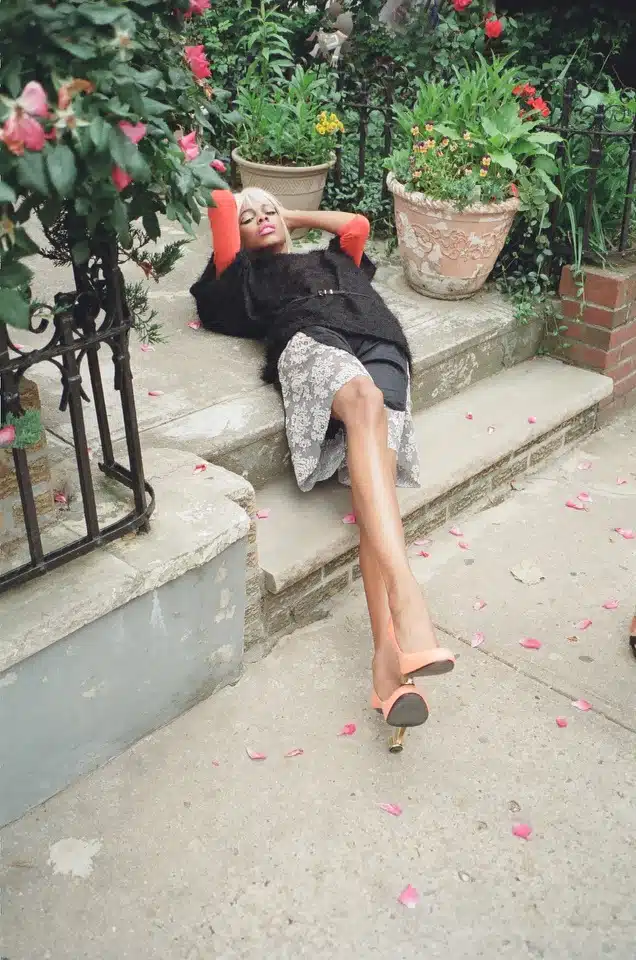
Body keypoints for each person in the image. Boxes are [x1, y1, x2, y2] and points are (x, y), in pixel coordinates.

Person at [190, 188, 455, 749]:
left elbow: (356, 224)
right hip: (313, 342)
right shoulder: (245, 278)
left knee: (373, 484)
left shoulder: (333, 257)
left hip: (381, 343)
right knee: (361, 400)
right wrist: (240, 210)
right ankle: (407, 596)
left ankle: (390, 664)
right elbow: (217, 206)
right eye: (250, 218)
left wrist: (287, 213)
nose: (261, 219)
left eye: (269, 212)